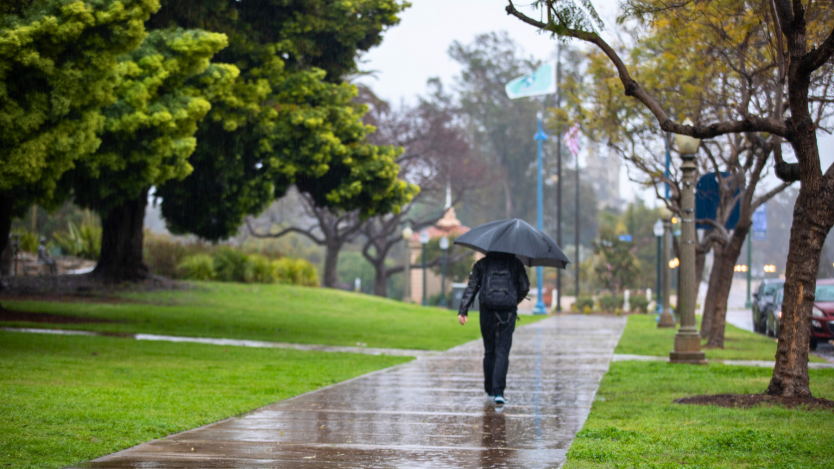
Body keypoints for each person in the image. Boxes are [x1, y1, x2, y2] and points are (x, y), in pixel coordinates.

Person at [458, 251, 529, 405]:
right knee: (502, 350)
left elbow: (472, 287)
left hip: (487, 311)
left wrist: (463, 310)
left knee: (489, 350)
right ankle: (499, 393)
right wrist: (513, 301)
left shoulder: (482, 264)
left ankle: (489, 389)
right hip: (508, 313)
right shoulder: (516, 263)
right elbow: (524, 286)